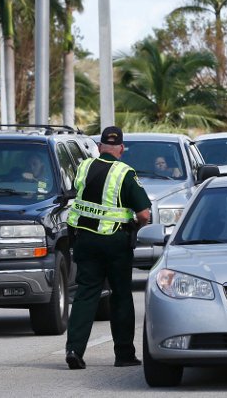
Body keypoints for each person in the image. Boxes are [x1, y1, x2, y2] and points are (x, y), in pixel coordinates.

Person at [64, 126, 151, 371]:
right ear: (121, 149)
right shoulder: (125, 173)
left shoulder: (84, 167)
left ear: (100, 147)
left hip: (85, 240)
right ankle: (124, 354)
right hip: (115, 243)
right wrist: (135, 224)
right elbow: (144, 214)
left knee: (85, 295)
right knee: (121, 296)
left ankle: (74, 350)